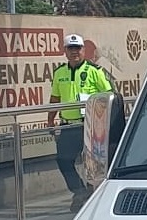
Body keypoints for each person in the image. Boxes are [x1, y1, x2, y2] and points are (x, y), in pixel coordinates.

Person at [48, 33, 114, 211]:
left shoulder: (94, 71)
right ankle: (79, 191)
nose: (74, 52)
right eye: (71, 48)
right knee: (63, 160)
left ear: (83, 50)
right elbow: (55, 98)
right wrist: (50, 120)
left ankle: (97, 198)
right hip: (68, 124)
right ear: (65, 51)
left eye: (78, 48)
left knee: (94, 164)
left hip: (90, 124)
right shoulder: (59, 72)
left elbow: (109, 95)